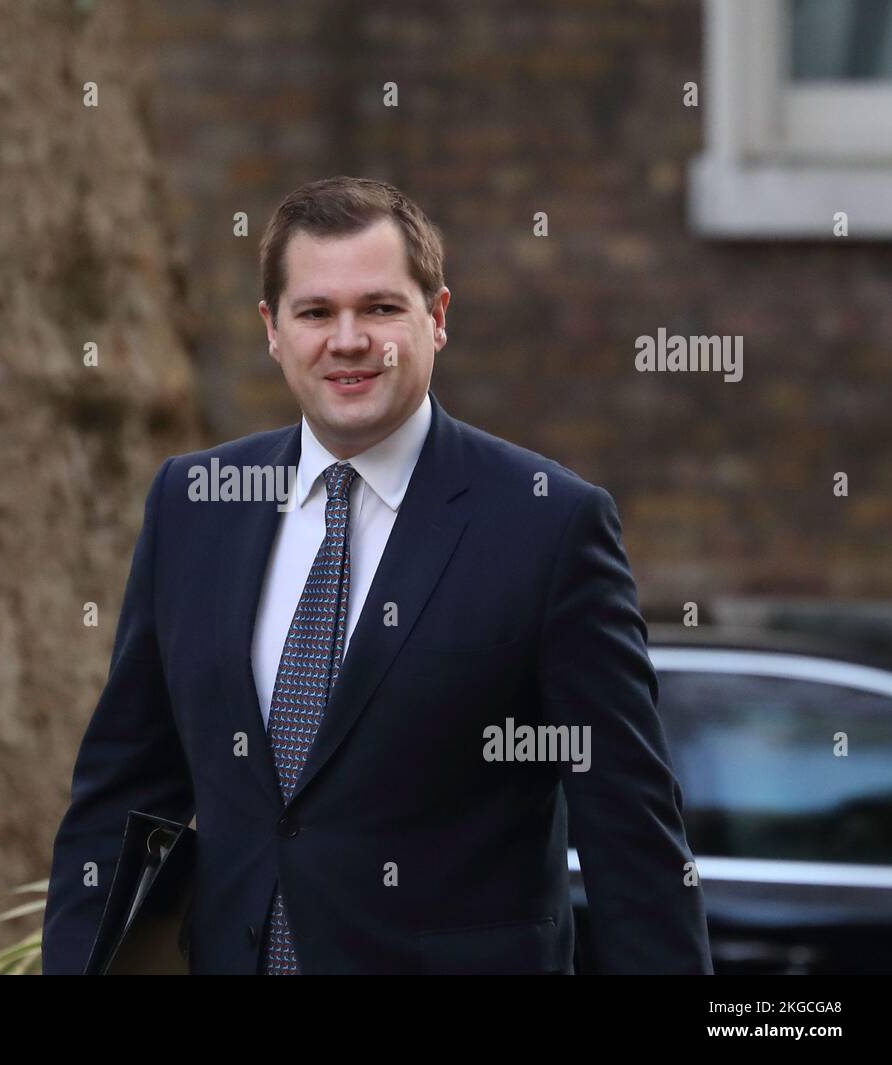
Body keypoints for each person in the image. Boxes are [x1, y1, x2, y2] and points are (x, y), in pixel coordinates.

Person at [41, 175, 712, 974]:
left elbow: (630, 832)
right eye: (316, 312)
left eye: (381, 308)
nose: (348, 339)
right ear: (273, 329)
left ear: (437, 318)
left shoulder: (549, 525)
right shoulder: (194, 504)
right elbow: (123, 791)